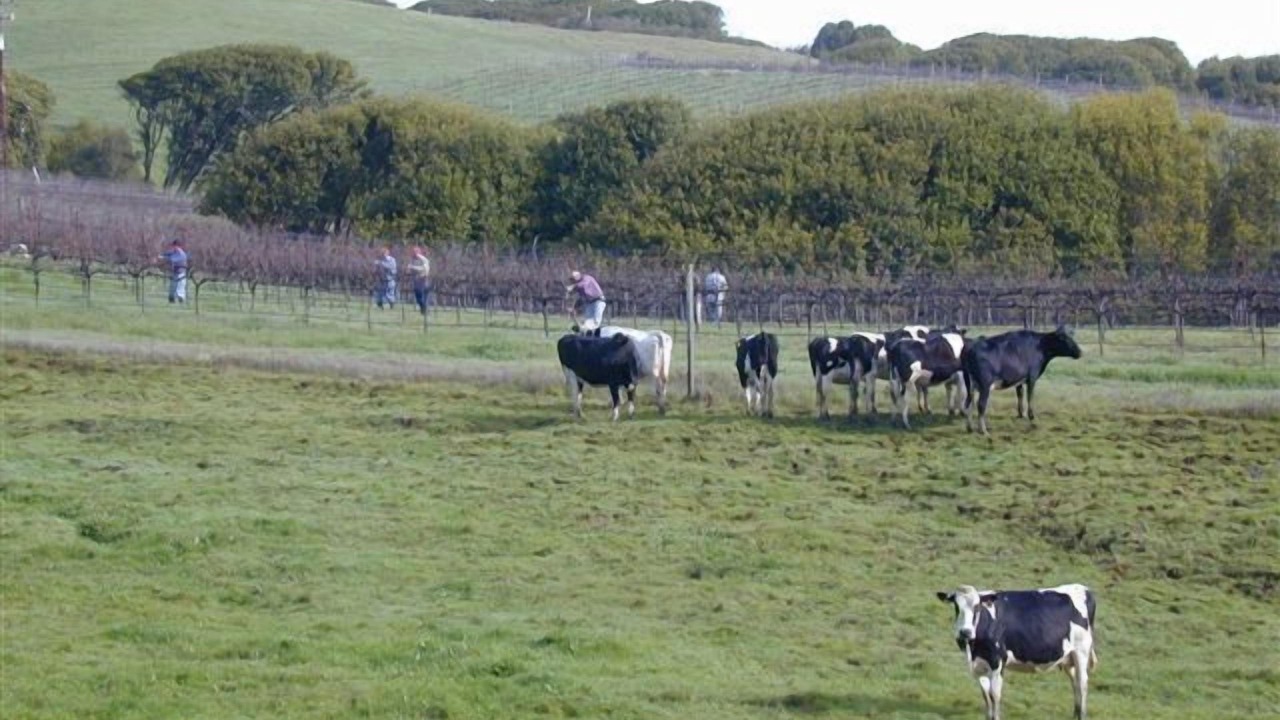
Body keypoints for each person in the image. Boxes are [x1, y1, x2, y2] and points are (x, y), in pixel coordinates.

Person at [158, 239, 188, 304]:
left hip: (181, 273)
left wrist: (163, 258)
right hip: (174, 272)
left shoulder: (181, 254)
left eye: (174, 246)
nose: (173, 247)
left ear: (178, 246)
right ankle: (171, 299)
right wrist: (161, 255)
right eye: (172, 246)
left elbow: (173, 259)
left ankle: (181, 300)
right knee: (172, 286)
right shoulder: (174, 252)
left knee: (180, 287)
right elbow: (167, 254)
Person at [408, 246, 431, 314]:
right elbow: (409, 270)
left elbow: (424, 269)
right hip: (416, 281)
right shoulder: (412, 260)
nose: (414, 254)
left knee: (423, 297)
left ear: (419, 252)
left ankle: (425, 310)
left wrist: (413, 267)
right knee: (418, 299)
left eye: (416, 252)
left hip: (423, 280)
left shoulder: (424, 260)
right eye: (413, 252)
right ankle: (423, 309)